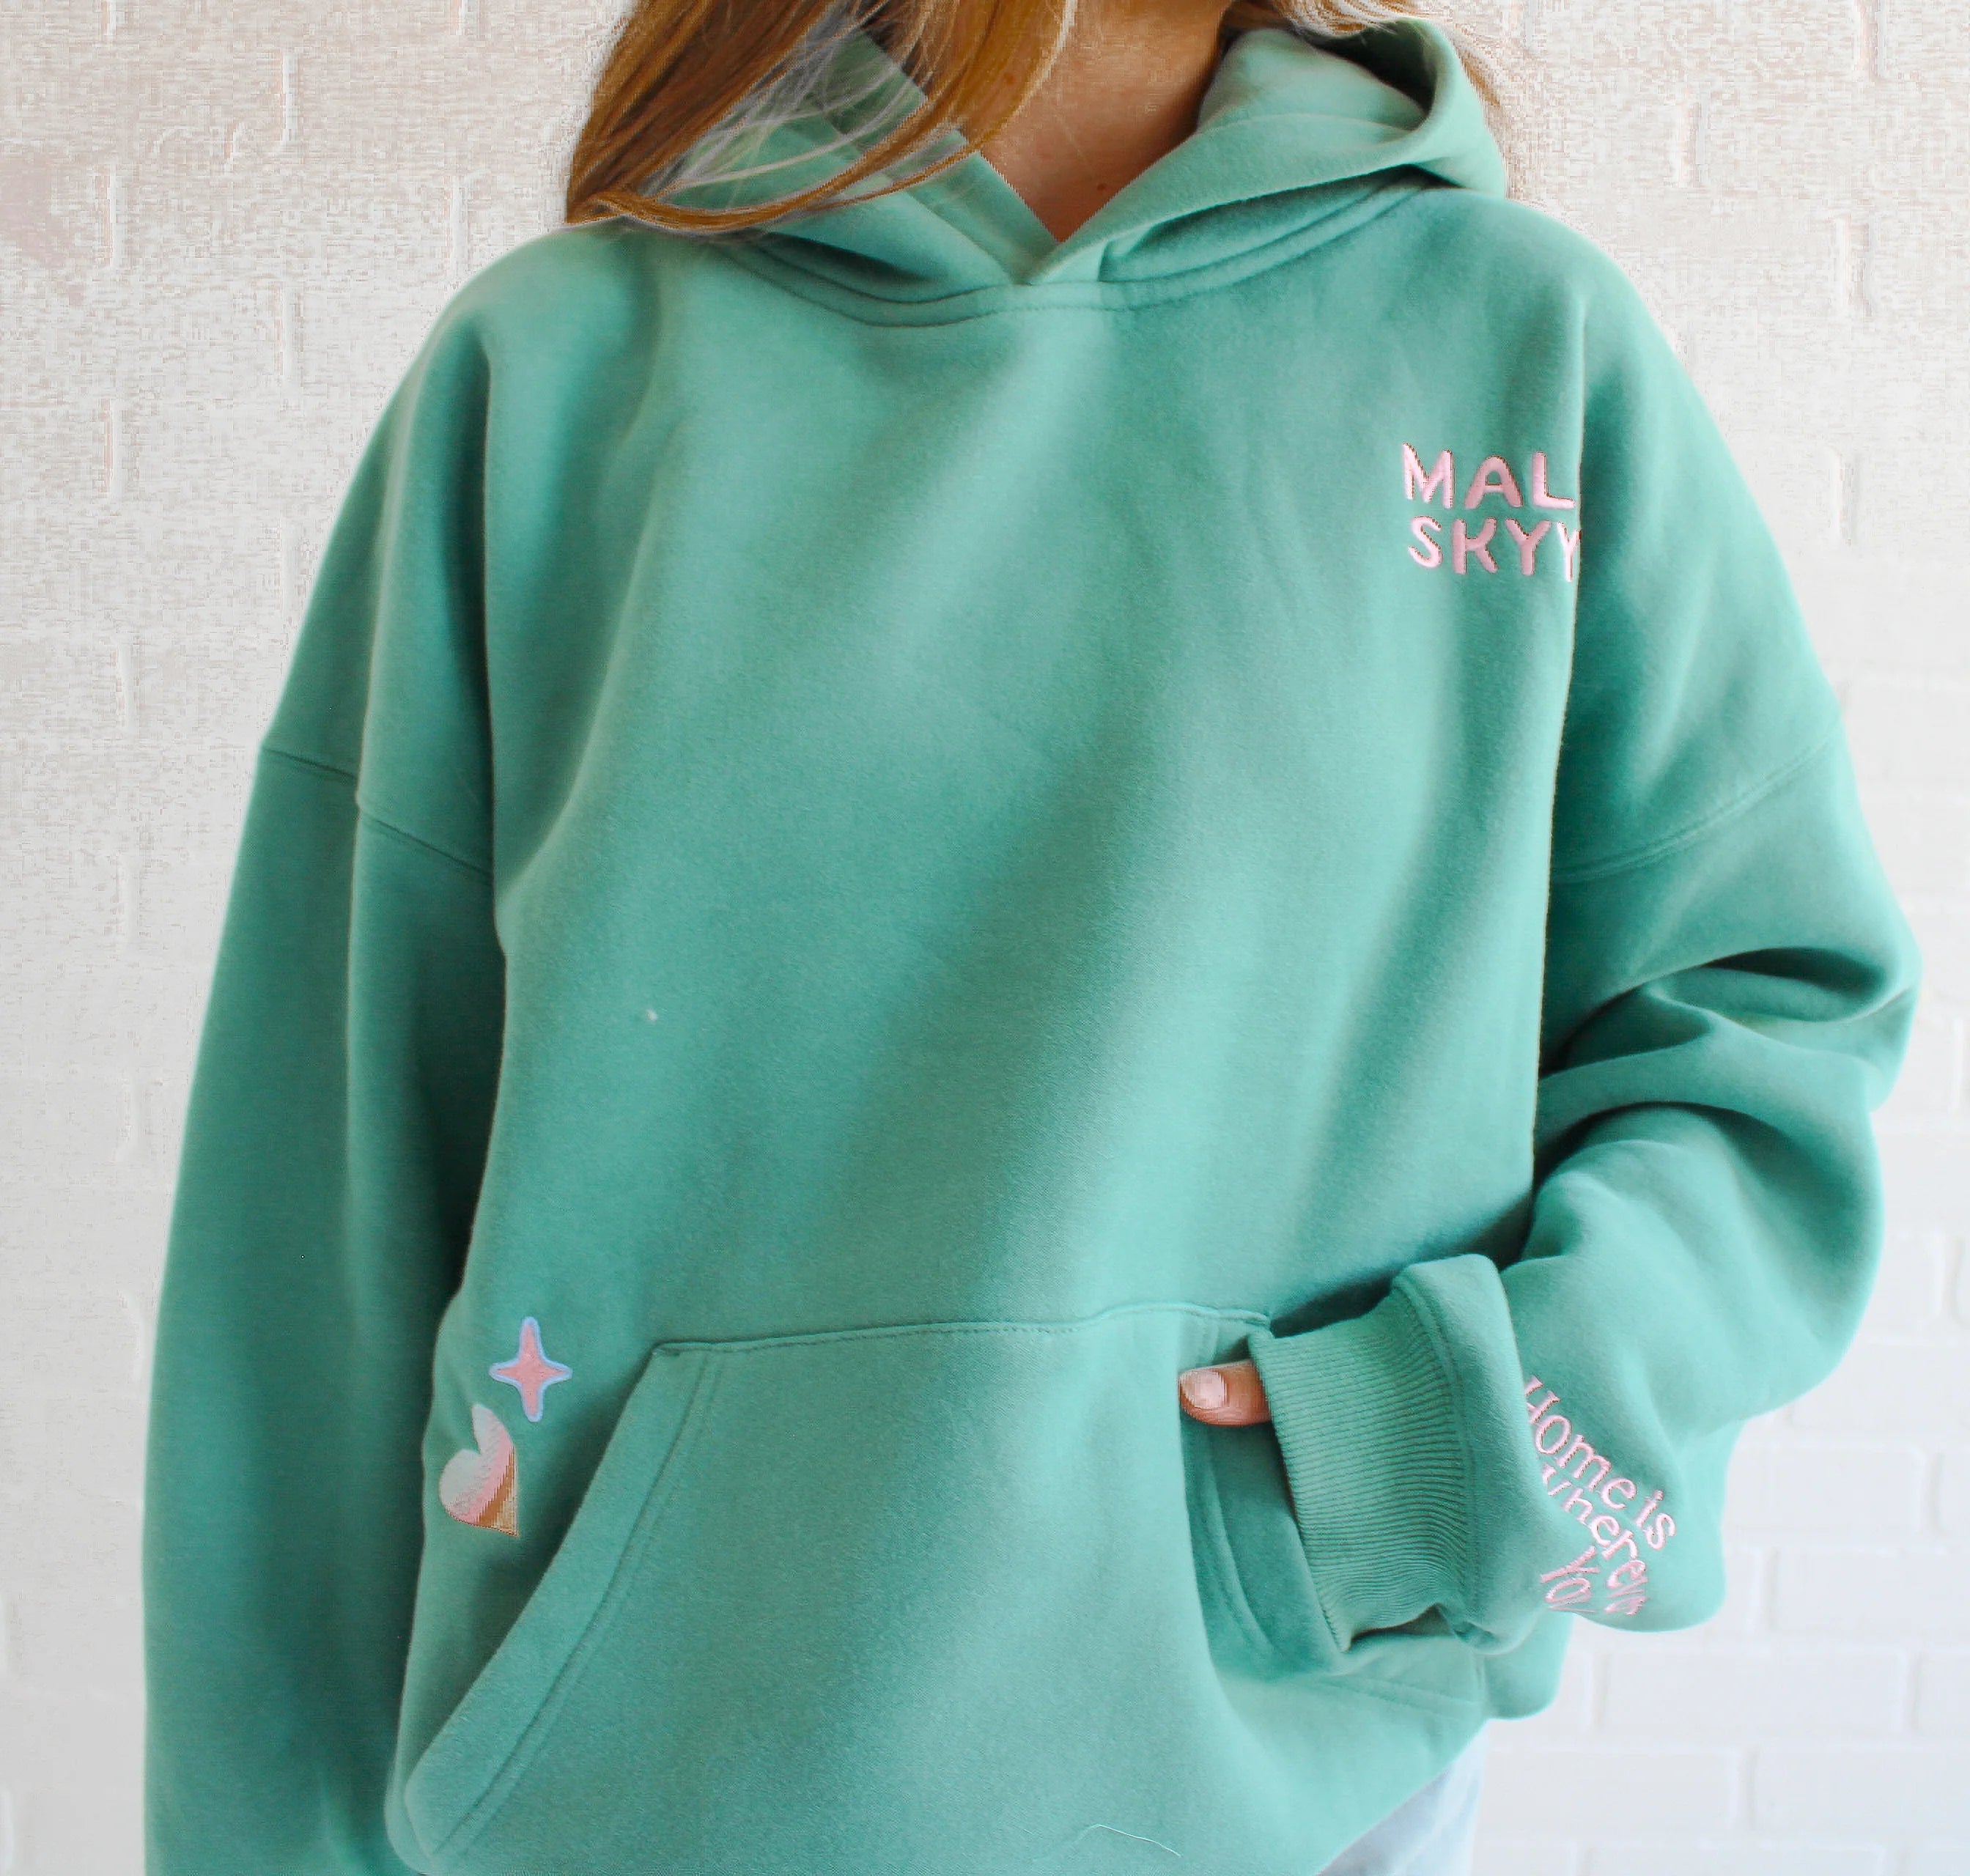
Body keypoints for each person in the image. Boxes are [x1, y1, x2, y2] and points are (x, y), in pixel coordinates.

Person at [141, 0, 1921, 1871]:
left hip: (1302, 1783)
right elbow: (319, 1227)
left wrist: (1456, 1439)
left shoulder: (1516, 350)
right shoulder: (556, 376)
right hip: (645, 1797)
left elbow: (1763, 1015)